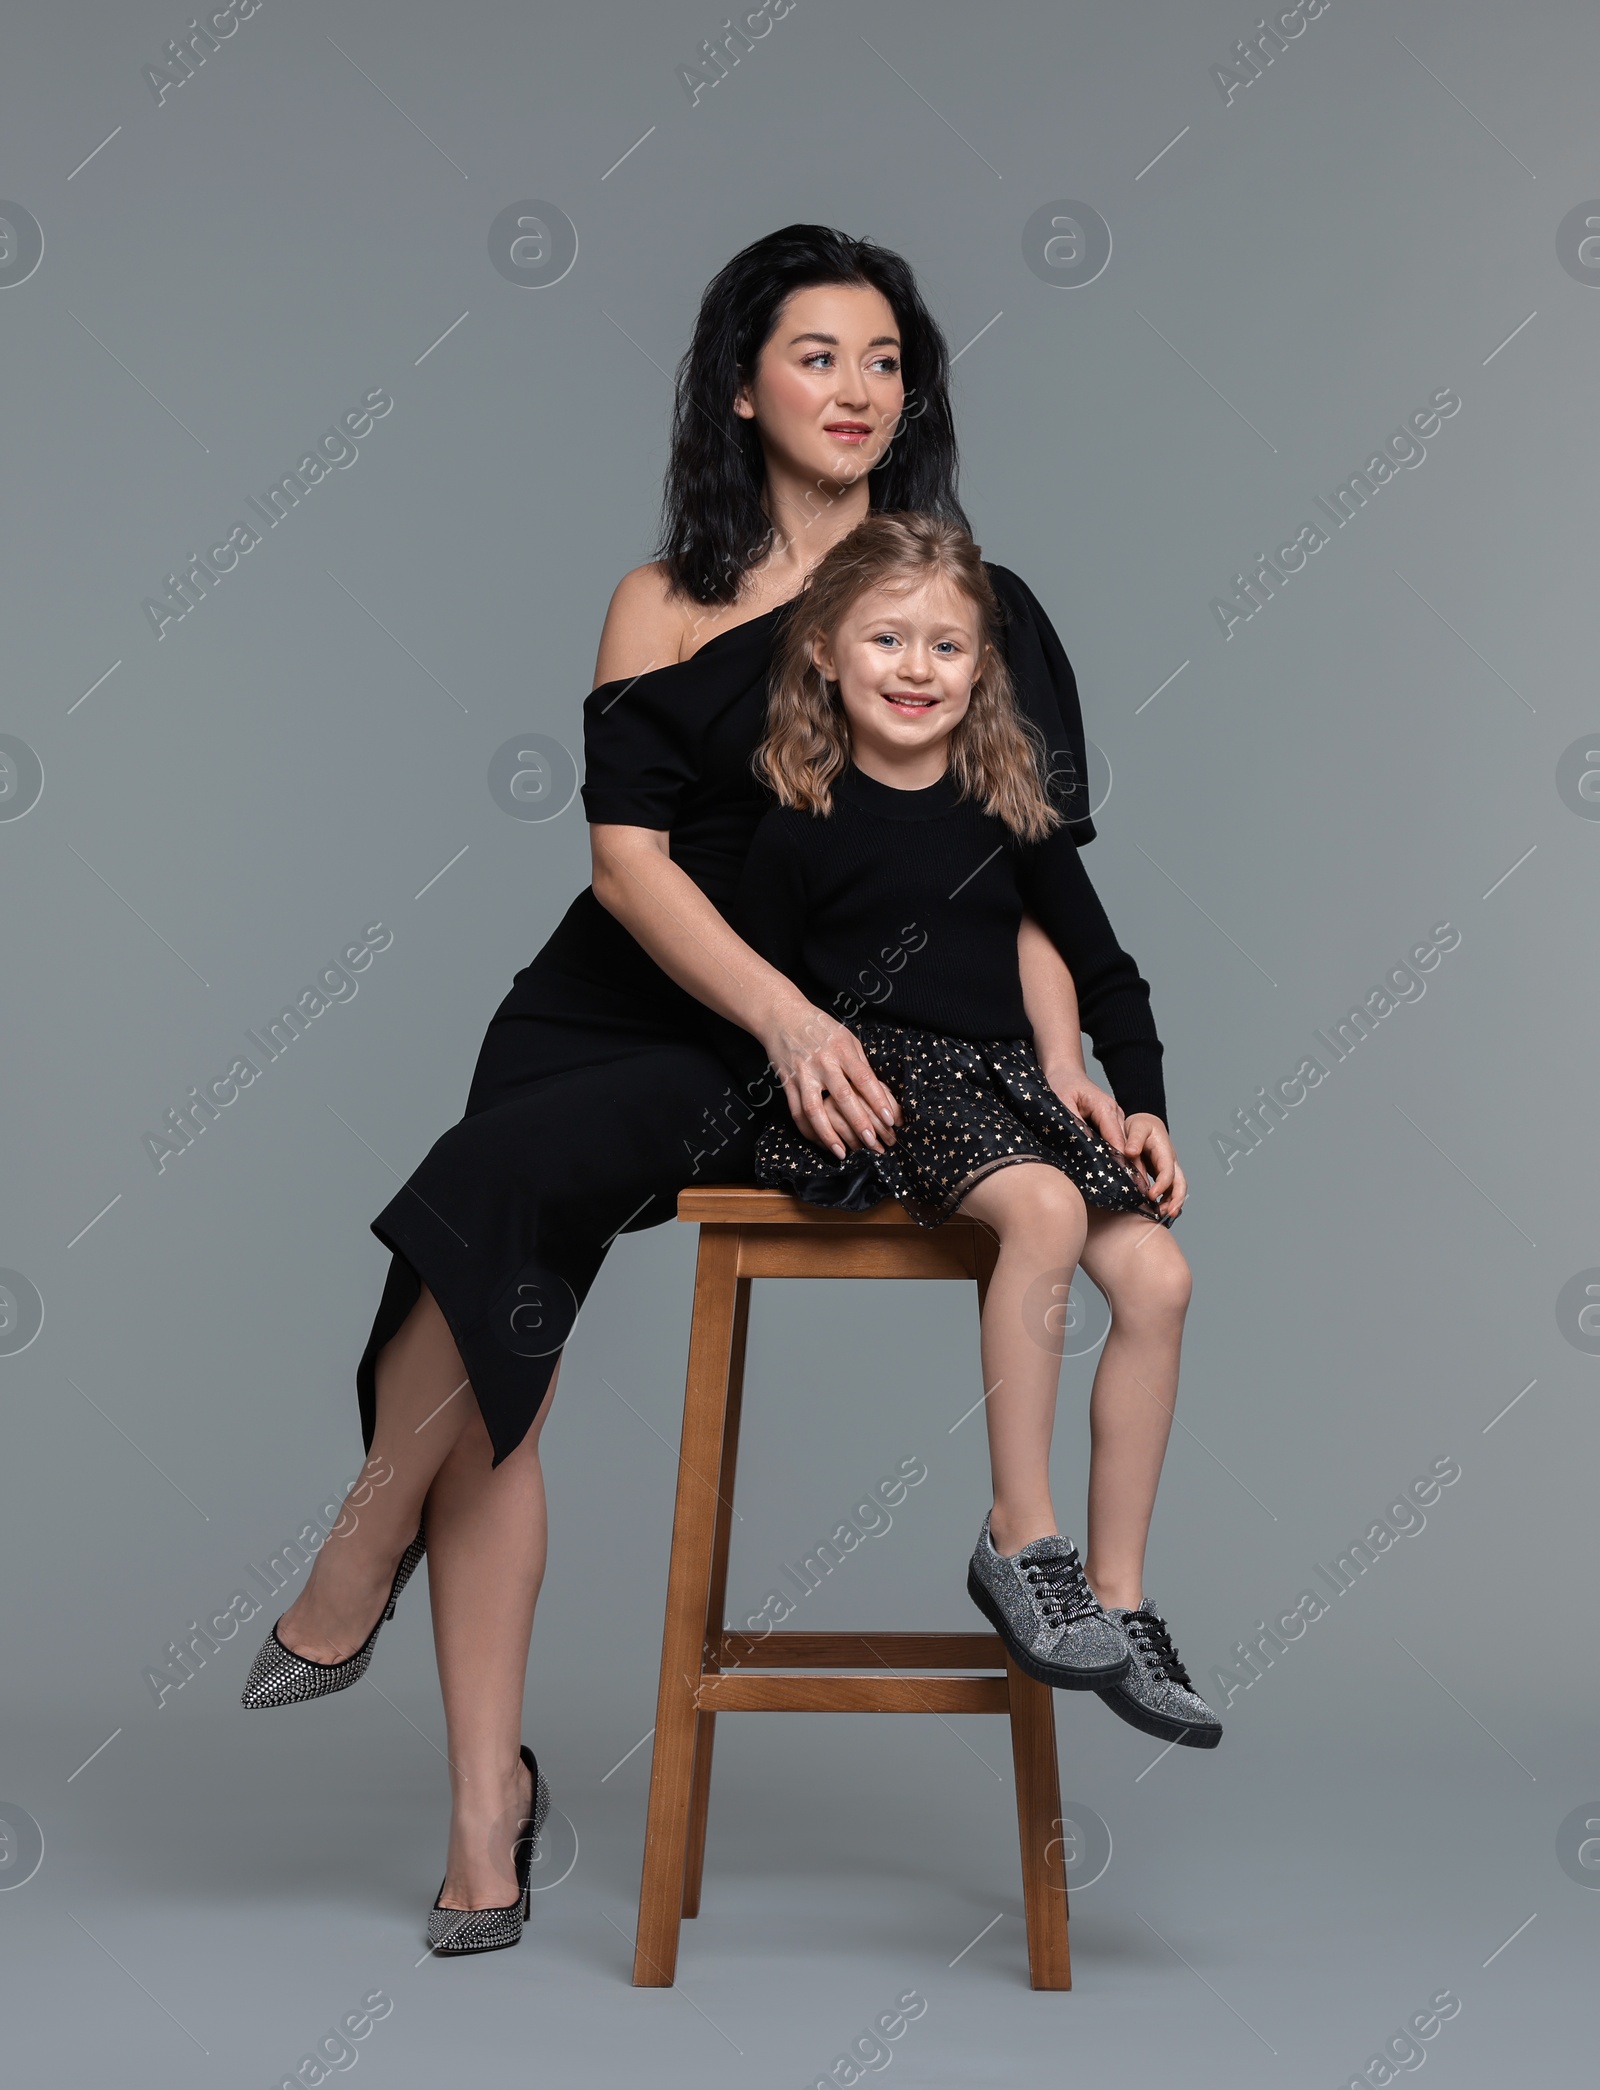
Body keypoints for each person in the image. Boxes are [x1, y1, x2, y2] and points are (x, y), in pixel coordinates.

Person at [237, 223, 1200, 1958]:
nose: (856, 388)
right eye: (818, 354)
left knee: (485, 1261)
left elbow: (1032, 877)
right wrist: (777, 1014)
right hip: (645, 1002)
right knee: (490, 1285)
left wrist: (1071, 1074)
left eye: (886, 359)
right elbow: (626, 865)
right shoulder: (663, 599)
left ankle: (352, 1567)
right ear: (743, 384)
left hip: (833, 1046)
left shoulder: (976, 606)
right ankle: (482, 1810)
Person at [736, 512, 1221, 1747]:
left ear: (982, 669)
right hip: (886, 1087)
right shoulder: (797, 817)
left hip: (1005, 1082)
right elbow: (754, 988)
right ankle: (1020, 1535)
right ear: (824, 656)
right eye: (886, 638)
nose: (914, 667)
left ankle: (1114, 1595)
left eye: (945, 646)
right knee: (1049, 1209)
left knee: (1159, 1273)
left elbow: (1105, 966)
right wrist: (791, 1075)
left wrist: (1139, 1092)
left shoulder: (1002, 802)